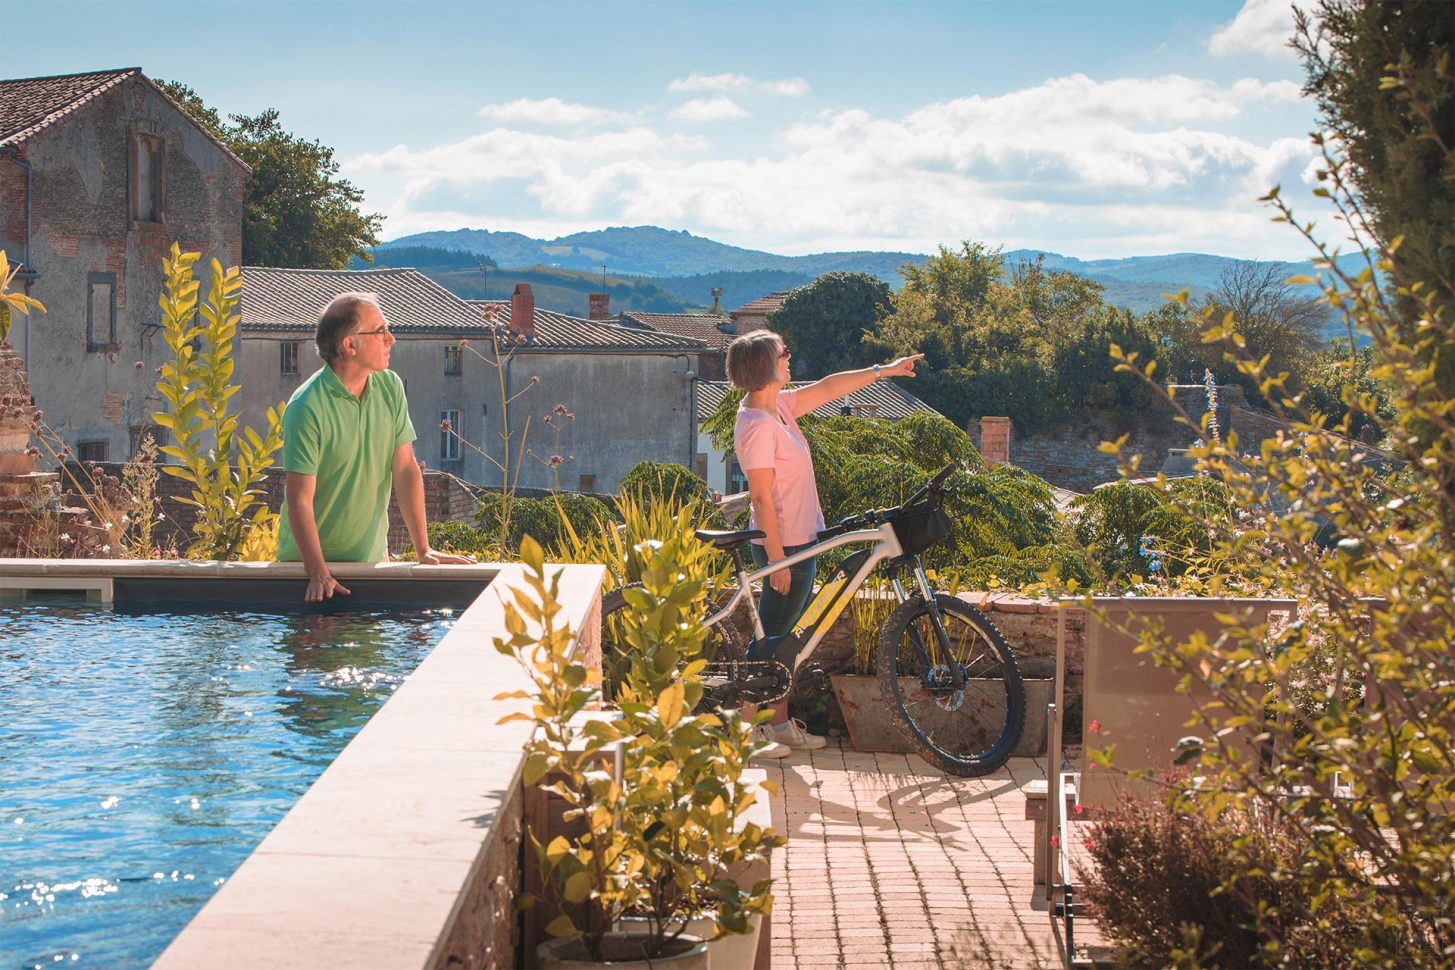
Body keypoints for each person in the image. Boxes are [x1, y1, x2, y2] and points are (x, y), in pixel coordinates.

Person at [726, 330, 923, 757]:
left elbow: (830, 386)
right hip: (784, 548)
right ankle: (742, 735)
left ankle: (777, 726)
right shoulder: (757, 425)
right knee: (772, 639)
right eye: (784, 353)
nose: (790, 357)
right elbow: (760, 497)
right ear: (764, 364)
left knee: (784, 638)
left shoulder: (778, 408)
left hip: (800, 541)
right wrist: (777, 561)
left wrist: (884, 370)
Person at [278, 291, 472, 602]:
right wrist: (317, 571)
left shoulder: (390, 387)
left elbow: (406, 469)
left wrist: (424, 550)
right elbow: (299, 499)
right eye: (380, 330)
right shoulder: (306, 406)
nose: (390, 339)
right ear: (350, 345)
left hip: (369, 562)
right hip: (305, 569)